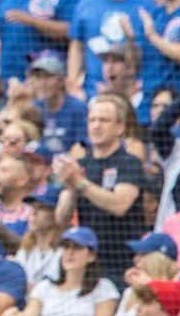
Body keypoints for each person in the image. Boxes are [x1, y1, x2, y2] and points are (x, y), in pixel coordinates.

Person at [55, 94, 145, 282]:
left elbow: (120, 205)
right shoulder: (79, 164)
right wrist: (71, 187)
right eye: (92, 120)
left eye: (103, 120)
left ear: (120, 127)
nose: (96, 125)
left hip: (122, 260)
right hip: (87, 261)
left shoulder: (129, 163)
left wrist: (80, 183)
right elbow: (61, 217)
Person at [2, 227, 118, 316]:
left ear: (91, 256)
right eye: (66, 247)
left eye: (77, 247)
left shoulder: (104, 288)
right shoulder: (44, 287)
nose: (70, 252)